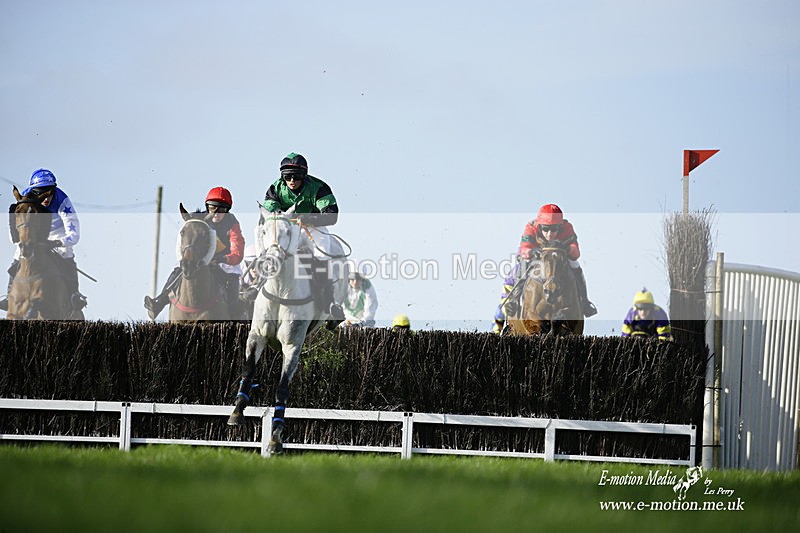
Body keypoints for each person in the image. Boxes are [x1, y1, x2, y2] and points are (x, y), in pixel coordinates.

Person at [262, 152, 344, 321]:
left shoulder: (319, 188)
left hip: (314, 228)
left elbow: (331, 215)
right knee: (270, 250)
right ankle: (256, 288)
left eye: (296, 177)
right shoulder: (275, 188)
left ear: (304, 176)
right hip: (289, 228)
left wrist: (307, 218)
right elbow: (270, 214)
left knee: (321, 254)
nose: (292, 181)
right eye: (288, 177)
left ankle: (329, 300)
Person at [492, 203, 597, 332]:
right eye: (546, 229)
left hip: (559, 257)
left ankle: (585, 301)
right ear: (539, 226)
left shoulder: (568, 227)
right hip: (534, 257)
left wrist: (568, 249)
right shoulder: (531, 227)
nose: (550, 233)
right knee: (521, 267)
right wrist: (531, 252)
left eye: (554, 229)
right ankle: (513, 301)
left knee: (575, 265)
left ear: (560, 226)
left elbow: (576, 252)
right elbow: (524, 249)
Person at [144, 186, 245, 320]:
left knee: (232, 287)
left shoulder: (232, 224)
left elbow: (238, 253)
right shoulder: (198, 220)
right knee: (177, 271)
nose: (216, 213)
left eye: (221, 210)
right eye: (212, 208)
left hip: (224, 264)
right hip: (199, 261)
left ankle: (235, 317)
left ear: (227, 210)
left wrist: (221, 258)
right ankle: (159, 303)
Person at [1, 168, 86, 313]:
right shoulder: (25, 200)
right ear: (34, 192)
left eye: (49, 192)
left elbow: (74, 234)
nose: (46, 199)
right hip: (35, 237)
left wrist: (58, 242)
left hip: (58, 235)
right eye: (40, 192)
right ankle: (10, 295)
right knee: (18, 255)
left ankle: (74, 295)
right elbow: (15, 233)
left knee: (66, 254)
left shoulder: (62, 200)